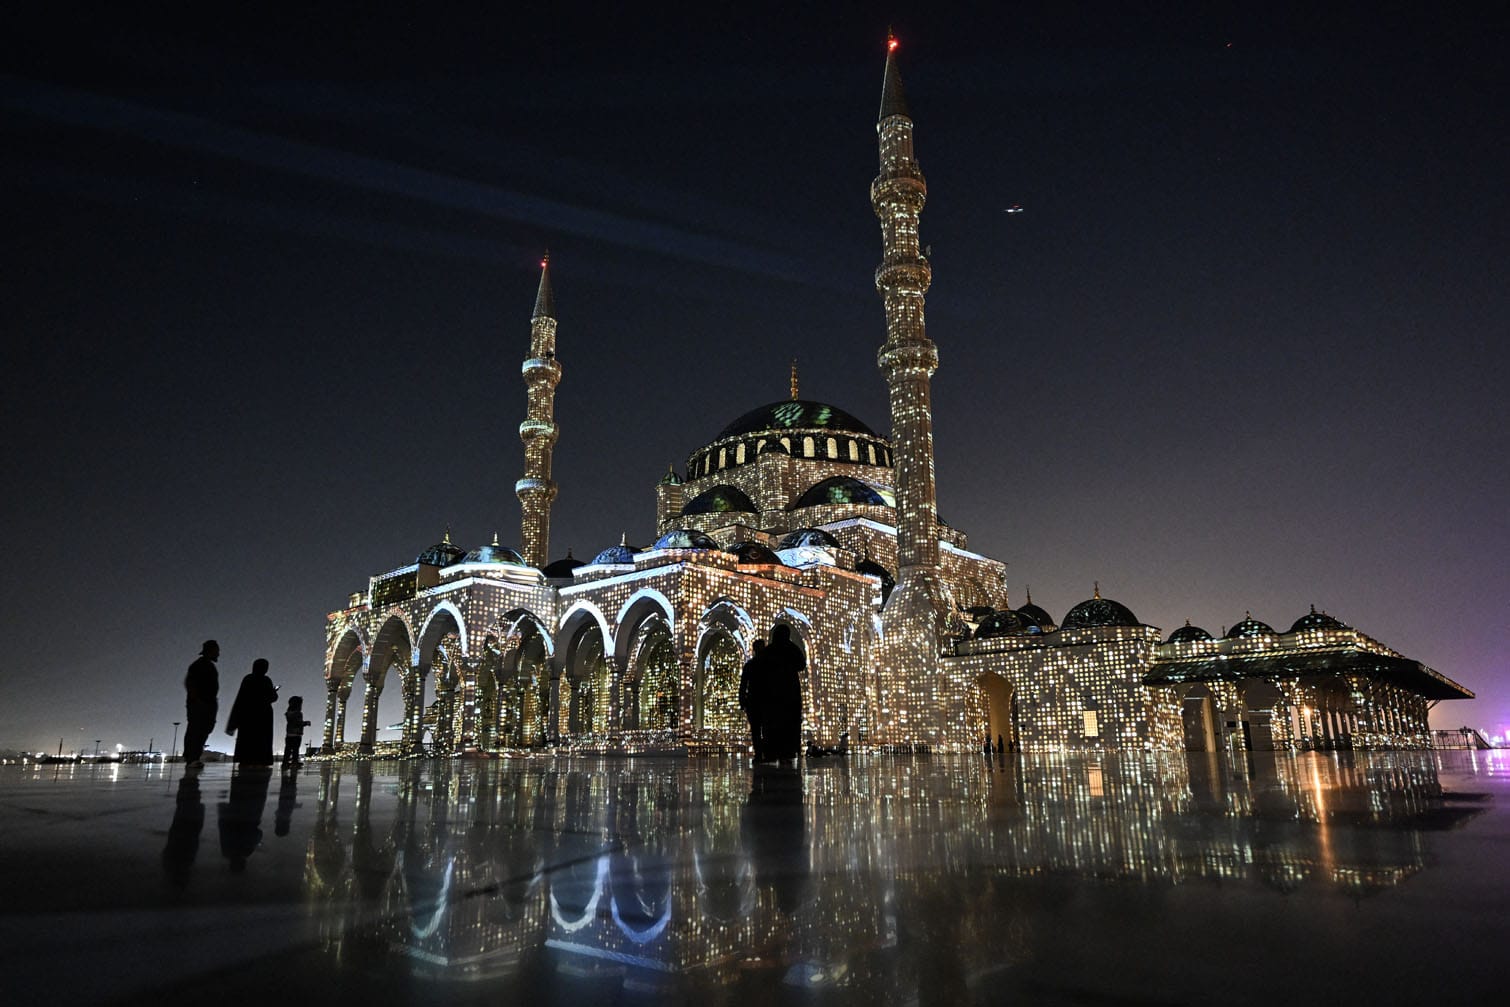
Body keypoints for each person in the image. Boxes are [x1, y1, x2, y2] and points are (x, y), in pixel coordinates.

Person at [764, 624, 805, 766]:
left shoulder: (769, 651)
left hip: (772, 694)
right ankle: (787, 752)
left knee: (774, 724)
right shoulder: (792, 649)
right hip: (789, 693)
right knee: (789, 725)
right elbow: (801, 664)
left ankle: (772, 752)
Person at [225, 658, 279, 766]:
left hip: (248, 715)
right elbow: (272, 697)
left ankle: (245, 758)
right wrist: (273, 691)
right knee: (262, 740)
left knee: (247, 739)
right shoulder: (266, 680)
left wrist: (232, 724)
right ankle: (260, 759)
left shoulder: (248, 679)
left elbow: (240, 700)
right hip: (263, 715)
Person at [182, 640, 220, 769]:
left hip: (207, 704)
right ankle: (191, 757)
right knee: (196, 730)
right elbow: (190, 683)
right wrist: (197, 701)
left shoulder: (207, 665)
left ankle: (194, 757)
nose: (218, 654)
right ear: (211, 651)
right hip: (200, 704)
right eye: (217, 651)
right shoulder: (198, 665)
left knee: (204, 730)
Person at [738, 639, 769, 761]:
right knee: (765, 729)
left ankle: (759, 754)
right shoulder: (769, 665)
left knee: (756, 730)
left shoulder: (750, 665)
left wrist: (742, 701)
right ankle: (765, 754)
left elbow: (743, 685)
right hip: (765, 701)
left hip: (754, 701)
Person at [282, 696, 310, 770]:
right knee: (295, 749)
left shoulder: (288, 713)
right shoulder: (298, 713)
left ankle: (285, 762)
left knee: (287, 749)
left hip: (289, 734)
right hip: (296, 735)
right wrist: (306, 723)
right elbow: (298, 723)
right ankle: (294, 762)